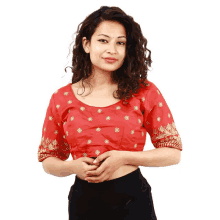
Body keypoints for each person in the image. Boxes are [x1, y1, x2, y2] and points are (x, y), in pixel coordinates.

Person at [37, 6, 182, 220]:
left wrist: (123, 157)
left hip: (133, 200)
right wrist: (72, 167)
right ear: (86, 44)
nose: (112, 50)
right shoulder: (61, 98)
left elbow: (172, 153)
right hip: (83, 202)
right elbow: (49, 160)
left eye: (120, 42)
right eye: (103, 40)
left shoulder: (144, 92)